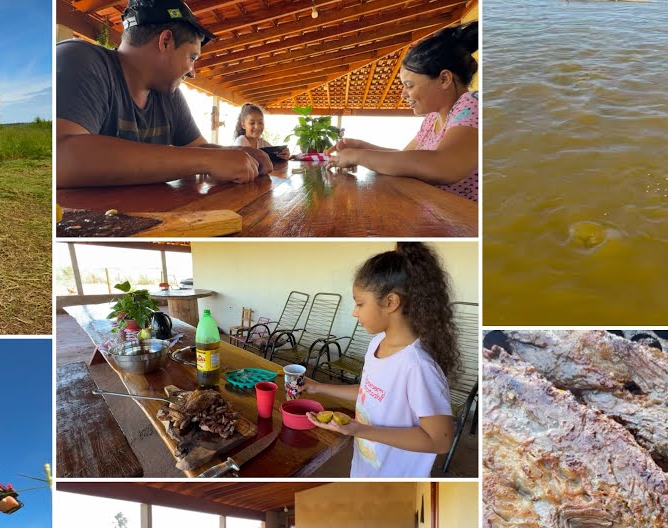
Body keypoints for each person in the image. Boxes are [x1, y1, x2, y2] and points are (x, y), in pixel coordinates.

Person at [56, 0, 273, 187]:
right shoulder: (79, 60)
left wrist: (237, 154)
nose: (193, 73)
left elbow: (197, 148)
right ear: (165, 42)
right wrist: (208, 159)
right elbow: (58, 156)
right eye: (192, 58)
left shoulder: (168, 95)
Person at [302, 242, 457, 477]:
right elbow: (371, 394)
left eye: (360, 303)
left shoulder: (417, 366)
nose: (354, 312)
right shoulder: (377, 344)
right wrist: (317, 387)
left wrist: (360, 430)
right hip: (365, 470)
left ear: (391, 302)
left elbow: (440, 440)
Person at [325, 21, 479, 201]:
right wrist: (363, 147)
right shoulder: (432, 119)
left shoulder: (473, 103)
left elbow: (446, 166)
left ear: (444, 79)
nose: (403, 94)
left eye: (409, 85)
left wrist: (359, 156)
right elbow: (407, 158)